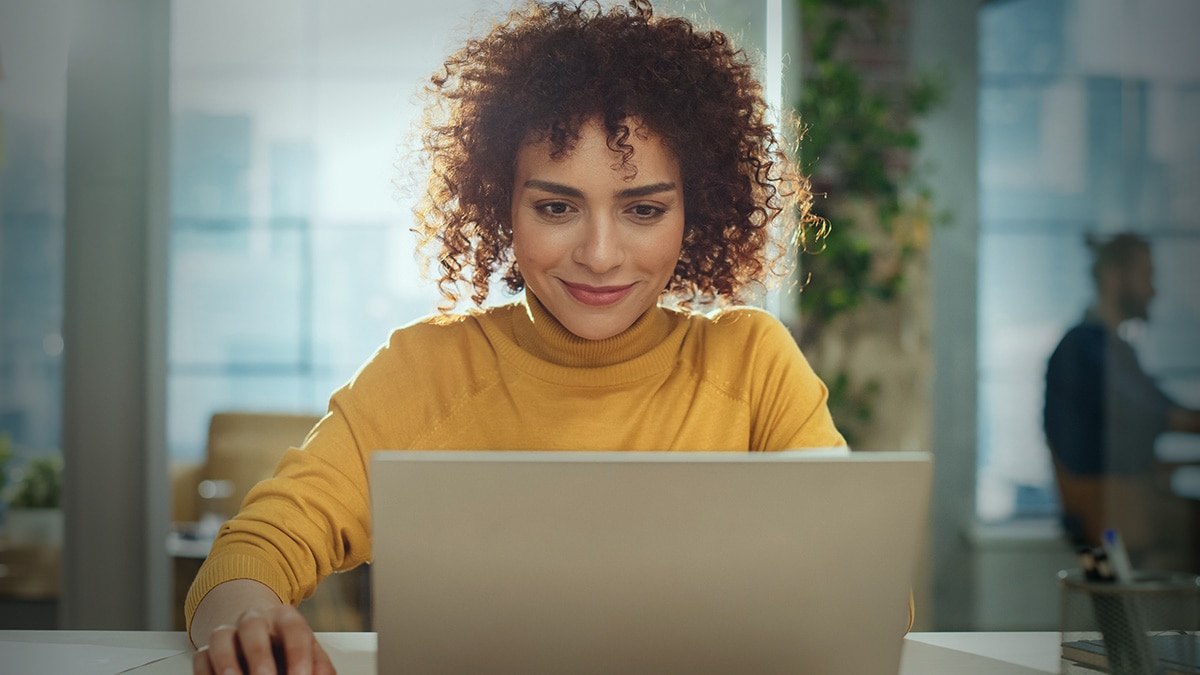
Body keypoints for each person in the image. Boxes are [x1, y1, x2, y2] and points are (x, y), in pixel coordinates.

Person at [189, 2, 847, 673]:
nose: (599, 253)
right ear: (500, 202)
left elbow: (855, 589)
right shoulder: (424, 371)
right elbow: (256, 548)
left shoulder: (753, 364)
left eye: (643, 209)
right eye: (556, 207)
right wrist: (249, 616)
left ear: (695, 210)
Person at [1044, 233, 1200, 570]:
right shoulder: (1084, 349)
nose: (1153, 291)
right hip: (1116, 510)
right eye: (1146, 277)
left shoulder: (1115, 350)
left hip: (1133, 500)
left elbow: (1162, 410)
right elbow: (1155, 414)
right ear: (1115, 277)